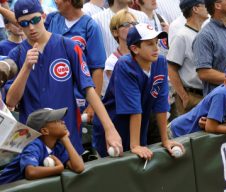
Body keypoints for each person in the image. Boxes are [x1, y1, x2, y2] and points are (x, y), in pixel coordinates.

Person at [4, 0, 123, 156]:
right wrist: (26, 68)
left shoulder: (68, 46)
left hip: (68, 136)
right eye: (25, 23)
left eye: (35, 20)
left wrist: (110, 129)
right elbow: (11, 101)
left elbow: (89, 89)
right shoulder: (17, 54)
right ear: (19, 25)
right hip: (34, 144)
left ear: (44, 16)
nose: (31, 27)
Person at [93, 23, 184, 159]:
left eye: (156, 42)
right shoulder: (124, 65)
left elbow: (161, 103)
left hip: (139, 128)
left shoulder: (160, 62)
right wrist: (135, 145)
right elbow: (133, 108)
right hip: (114, 129)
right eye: (149, 44)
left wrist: (165, 140)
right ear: (135, 49)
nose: (156, 48)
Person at [44, 0, 106, 123]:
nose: (55, 1)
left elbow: (97, 69)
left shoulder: (90, 26)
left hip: (78, 97)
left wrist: (93, 105)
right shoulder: (52, 19)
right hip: (51, 92)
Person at [169, 61, 226, 138]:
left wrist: (219, 125)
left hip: (198, 136)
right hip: (179, 131)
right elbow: (211, 128)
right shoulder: (221, 95)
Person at [0, 108, 84, 185]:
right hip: (4, 189)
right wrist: (58, 169)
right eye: (57, 120)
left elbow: (79, 167)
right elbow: (30, 172)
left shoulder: (58, 146)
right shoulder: (33, 145)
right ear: (44, 131)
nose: (63, 122)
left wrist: (65, 139)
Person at [167, 0, 208, 115]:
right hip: (192, 95)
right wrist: (184, 97)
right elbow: (171, 68)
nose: (207, 7)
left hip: (206, 93)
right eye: (203, 5)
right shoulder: (181, 36)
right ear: (195, 9)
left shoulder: (203, 33)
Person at [103, 9, 137, 97]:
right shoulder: (112, 62)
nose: (132, 27)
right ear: (115, 32)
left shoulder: (143, 54)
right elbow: (120, 94)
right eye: (126, 24)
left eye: (134, 24)